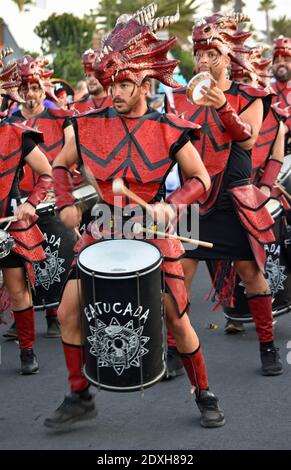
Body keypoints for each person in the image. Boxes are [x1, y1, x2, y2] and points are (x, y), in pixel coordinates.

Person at [44, 4, 225, 430]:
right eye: (112, 84)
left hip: (153, 231)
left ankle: (204, 392)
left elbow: (200, 178)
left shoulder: (167, 127)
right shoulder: (87, 125)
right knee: (67, 311)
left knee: (176, 318)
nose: (116, 92)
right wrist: (68, 200)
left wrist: (173, 203)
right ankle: (79, 395)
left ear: (145, 82)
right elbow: (57, 164)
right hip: (103, 228)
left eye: (125, 83)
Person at [166, 12, 283, 376]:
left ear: (228, 55)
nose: (202, 60)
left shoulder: (252, 94)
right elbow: (169, 148)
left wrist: (220, 103)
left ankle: (267, 345)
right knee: (177, 279)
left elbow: (246, 138)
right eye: (198, 52)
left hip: (234, 198)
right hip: (193, 200)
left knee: (251, 273)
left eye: (211, 53)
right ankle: (172, 352)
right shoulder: (180, 101)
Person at [5, 55, 75, 338]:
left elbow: (73, 149)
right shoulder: (11, 123)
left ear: (42, 88)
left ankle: (53, 314)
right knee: (21, 262)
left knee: (56, 255)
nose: (30, 94)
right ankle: (21, 316)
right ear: (18, 91)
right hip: (20, 202)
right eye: (24, 88)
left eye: (34, 88)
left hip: (52, 198)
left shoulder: (61, 116)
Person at [224, 45, 286, 333]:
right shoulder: (217, 110)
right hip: (221, 195)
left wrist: (264, 189)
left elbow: (274, 159)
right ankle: (234, 310)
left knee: (254, 265)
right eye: (238, 78)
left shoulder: (274, 118)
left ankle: (267, 335)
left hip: (260, 192)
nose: (243, 84)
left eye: (248, 78)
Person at [0, 55, 52, 374]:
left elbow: (46, 173)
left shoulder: (17, 133)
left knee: (17, 287)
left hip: (8, 223)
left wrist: (31, 203)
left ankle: (27, 350)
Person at [70, 49, 112, 113]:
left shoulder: (117, 104)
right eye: (89, 75)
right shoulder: (77, 107)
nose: (91, 79)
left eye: (96, 75)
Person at [271, 36, 291, 154]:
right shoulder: (266, 91)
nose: (281, 64)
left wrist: (286, 127)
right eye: (277, 61)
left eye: (286, 60)